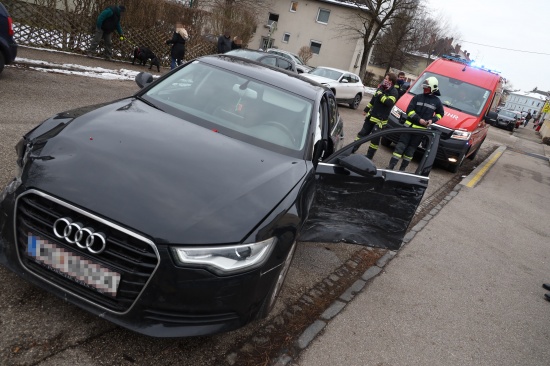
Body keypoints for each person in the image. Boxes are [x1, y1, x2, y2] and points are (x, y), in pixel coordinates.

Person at [387, 76, 444, 171]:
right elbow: (409, 111)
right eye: (424, 87)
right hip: (408, 127)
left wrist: (431, 120)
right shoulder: (417, 97)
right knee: (400, 147)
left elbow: (441, 114)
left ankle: (402, 170)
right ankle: (391, 166)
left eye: (427, 87)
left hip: (420, 132)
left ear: (433, 88)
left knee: (410, 150)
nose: (424, 89)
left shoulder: (437, 102)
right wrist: (419, 120)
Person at [351, 73, 399, 159]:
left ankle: (369, 156)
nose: (385, 80)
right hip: (371, 116)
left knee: (375, 139)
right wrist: (366, 109)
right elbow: (373, 100)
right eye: (385, 79)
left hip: (380, 120)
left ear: (391, 81)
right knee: (362, 134)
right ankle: (352, 149)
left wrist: (380, 95)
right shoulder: (381, 87)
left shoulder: (394, 92)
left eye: (386, 79)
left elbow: (389, 103)